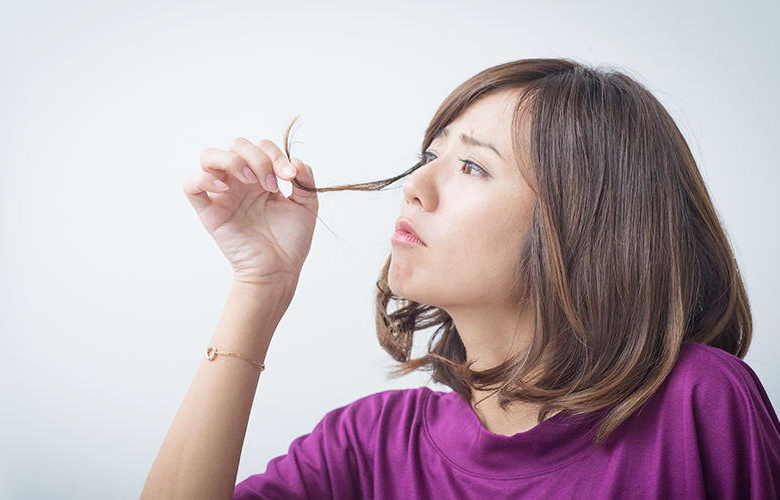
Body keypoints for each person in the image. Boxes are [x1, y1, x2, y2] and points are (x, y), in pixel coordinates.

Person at [140, 59, 780, 499]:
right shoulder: (370, 444)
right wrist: (260, 286)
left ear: (585, 224)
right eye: (430, 155)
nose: (413, 188)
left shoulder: (699, 404)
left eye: (472, 166)